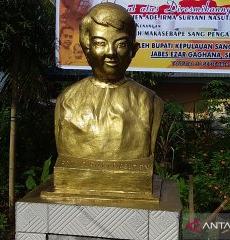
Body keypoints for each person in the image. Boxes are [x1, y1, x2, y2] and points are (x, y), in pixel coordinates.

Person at [51, 3, 164, 199]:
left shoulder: (150, 102)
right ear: (86, 48)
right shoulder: (67, 101)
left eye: (121, 44)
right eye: (100, 43)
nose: (110, 52)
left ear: (134, 50)